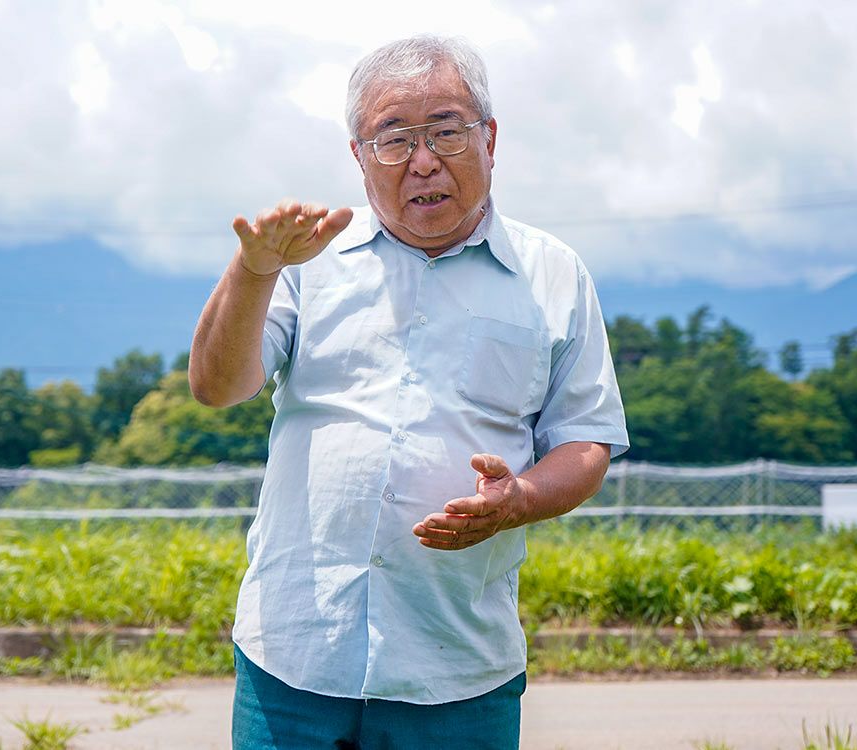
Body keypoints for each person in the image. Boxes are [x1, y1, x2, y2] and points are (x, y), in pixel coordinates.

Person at [189, 34, 628, 750]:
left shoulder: (554, 274)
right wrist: (253, 272)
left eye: (446, 132)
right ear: (359, 157)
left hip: (457, 664)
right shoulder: (307, 260)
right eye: (394, 139)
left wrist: (519, 498)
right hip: (295, 654)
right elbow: (216, 385)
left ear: (490, 139)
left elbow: (585, 440)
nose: (424, 161)